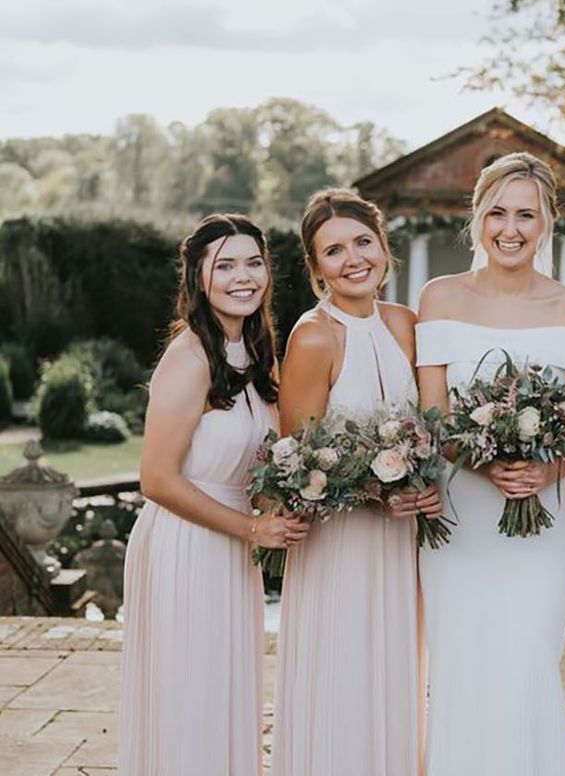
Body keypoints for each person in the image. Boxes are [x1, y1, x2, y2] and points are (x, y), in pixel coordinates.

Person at [416, 151, 565, 776]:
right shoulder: (438, 298)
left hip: (543, 521)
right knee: (463, 662)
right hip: (460, 520)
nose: (511, 228)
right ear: (477, 219)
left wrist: (550, 471)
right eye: (497, 212)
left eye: (526, 213)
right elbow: (435, 419)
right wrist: (481, 460)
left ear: (548, 221)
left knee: (527, 660)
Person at [120, 214, 305, 776]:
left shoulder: (254, 354)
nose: (242, 277)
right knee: (190, 696)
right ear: (199, 278)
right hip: (185, 545)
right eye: (225, 265)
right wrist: (252, 528)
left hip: (231, 549)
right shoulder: (191, 356)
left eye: (253, 263)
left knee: (225, 691)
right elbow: (156, 478)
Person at [270, 188, 440, 776]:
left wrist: (425, 481)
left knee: (393, 670)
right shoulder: (313, 337)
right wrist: (375, 490)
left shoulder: (406, 324)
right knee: (340, 670)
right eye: (334, 251)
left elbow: (431, 428)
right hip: (339, 547)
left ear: (383, 245)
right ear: (316, 268)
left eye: (362, 242)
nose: (353, 259)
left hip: (399, 545)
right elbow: (295, 464)